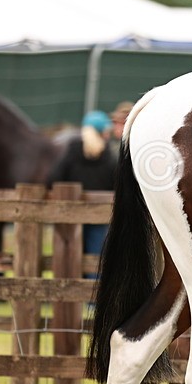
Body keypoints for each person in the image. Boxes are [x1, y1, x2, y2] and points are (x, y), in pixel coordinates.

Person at [48, 110, 118, 267]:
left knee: (68, 258)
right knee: (95, 257)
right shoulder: (108, 155)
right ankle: (91, 288)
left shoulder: (72, 151)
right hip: (99, 214)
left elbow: (54, 177)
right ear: (100, 132)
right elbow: (116, 182)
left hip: (69, 214)